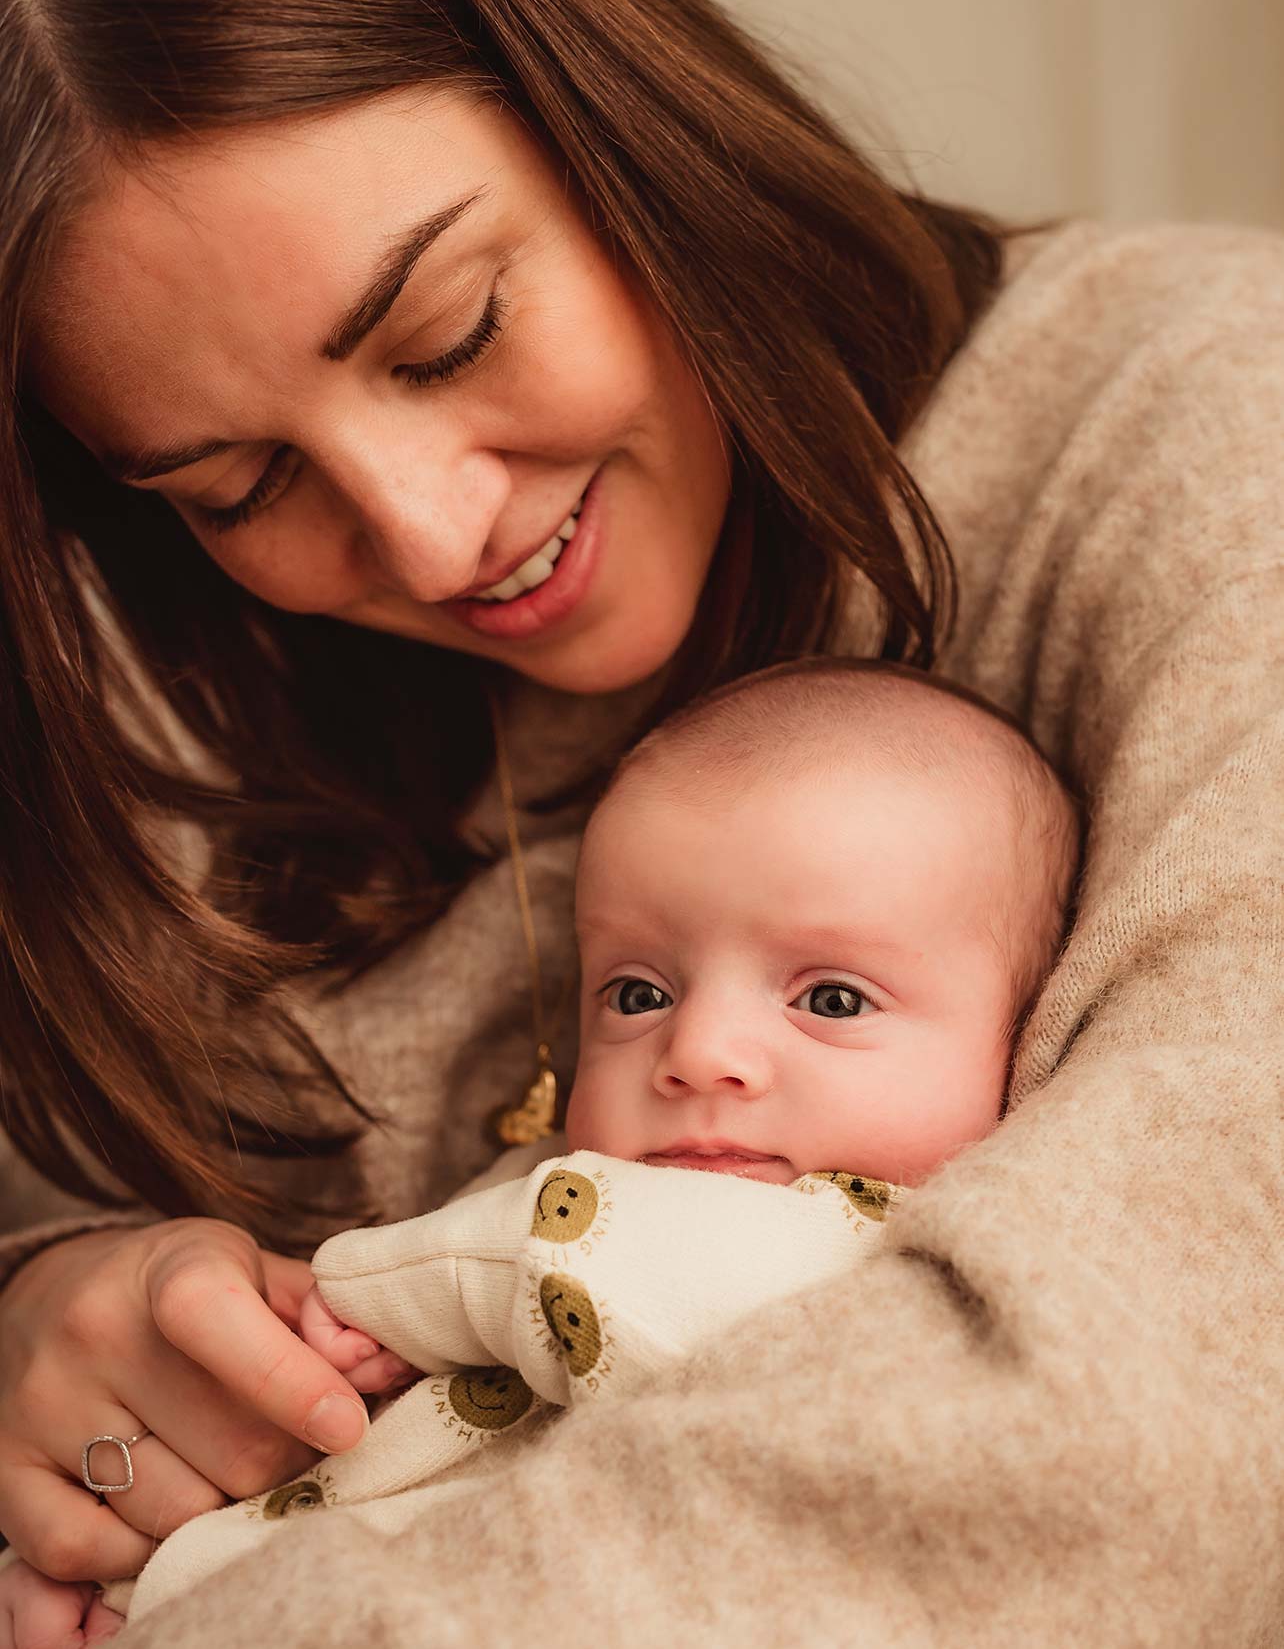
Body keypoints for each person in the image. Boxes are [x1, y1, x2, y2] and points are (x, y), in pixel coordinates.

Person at [0, 0, 1279, 1644]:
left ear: (609, 100)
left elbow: (1138, 1414)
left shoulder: (1209, 433)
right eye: (235, 482)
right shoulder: (161, 729)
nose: (429, 543)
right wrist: (40, 1308)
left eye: (451, 327)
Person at [0, 658, 1082, 1636]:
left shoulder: (857, 1257)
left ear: (1026, 1035)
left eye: (832, 996)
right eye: (638, 992)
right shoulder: (567, 1184)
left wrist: (360, 1302)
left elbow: (537, 1265)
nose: (697, 1052)